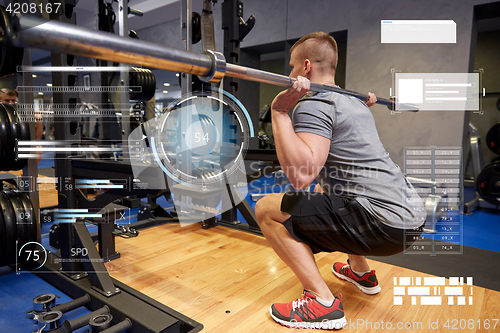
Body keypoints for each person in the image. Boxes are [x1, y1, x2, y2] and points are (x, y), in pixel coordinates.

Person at [254, 32, 426, 330]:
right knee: (329, 188)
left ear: (306, 67)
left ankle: (320, 303)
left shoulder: (315, 104)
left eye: (292, 67)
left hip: (382, 223)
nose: (290, 74)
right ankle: (360, 272)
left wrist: (280, 111)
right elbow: (320, 179)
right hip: (410, 219)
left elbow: (299, 176)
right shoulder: (355, 104)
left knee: (266, 208)